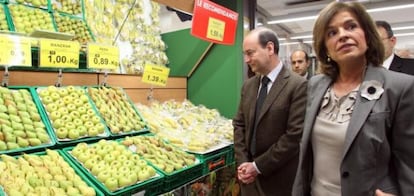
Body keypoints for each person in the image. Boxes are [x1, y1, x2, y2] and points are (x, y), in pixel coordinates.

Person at [292, 1, 414, 196]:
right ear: (325, 48)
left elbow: (409, 163)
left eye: (351, 26)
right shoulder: (315, 85)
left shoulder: (400, 87)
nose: (343, 35)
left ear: (367, 34)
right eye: (332, 33)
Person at [233, 27, 307, 195]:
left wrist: (257, 166)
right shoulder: (249, 86)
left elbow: (293, 136)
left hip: (278, 181)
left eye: (250, 53)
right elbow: (239, 124)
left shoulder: (297, 86)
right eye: (244, 54)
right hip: (249, 181)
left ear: (270, 48)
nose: (246, 59)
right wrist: (244, 163)